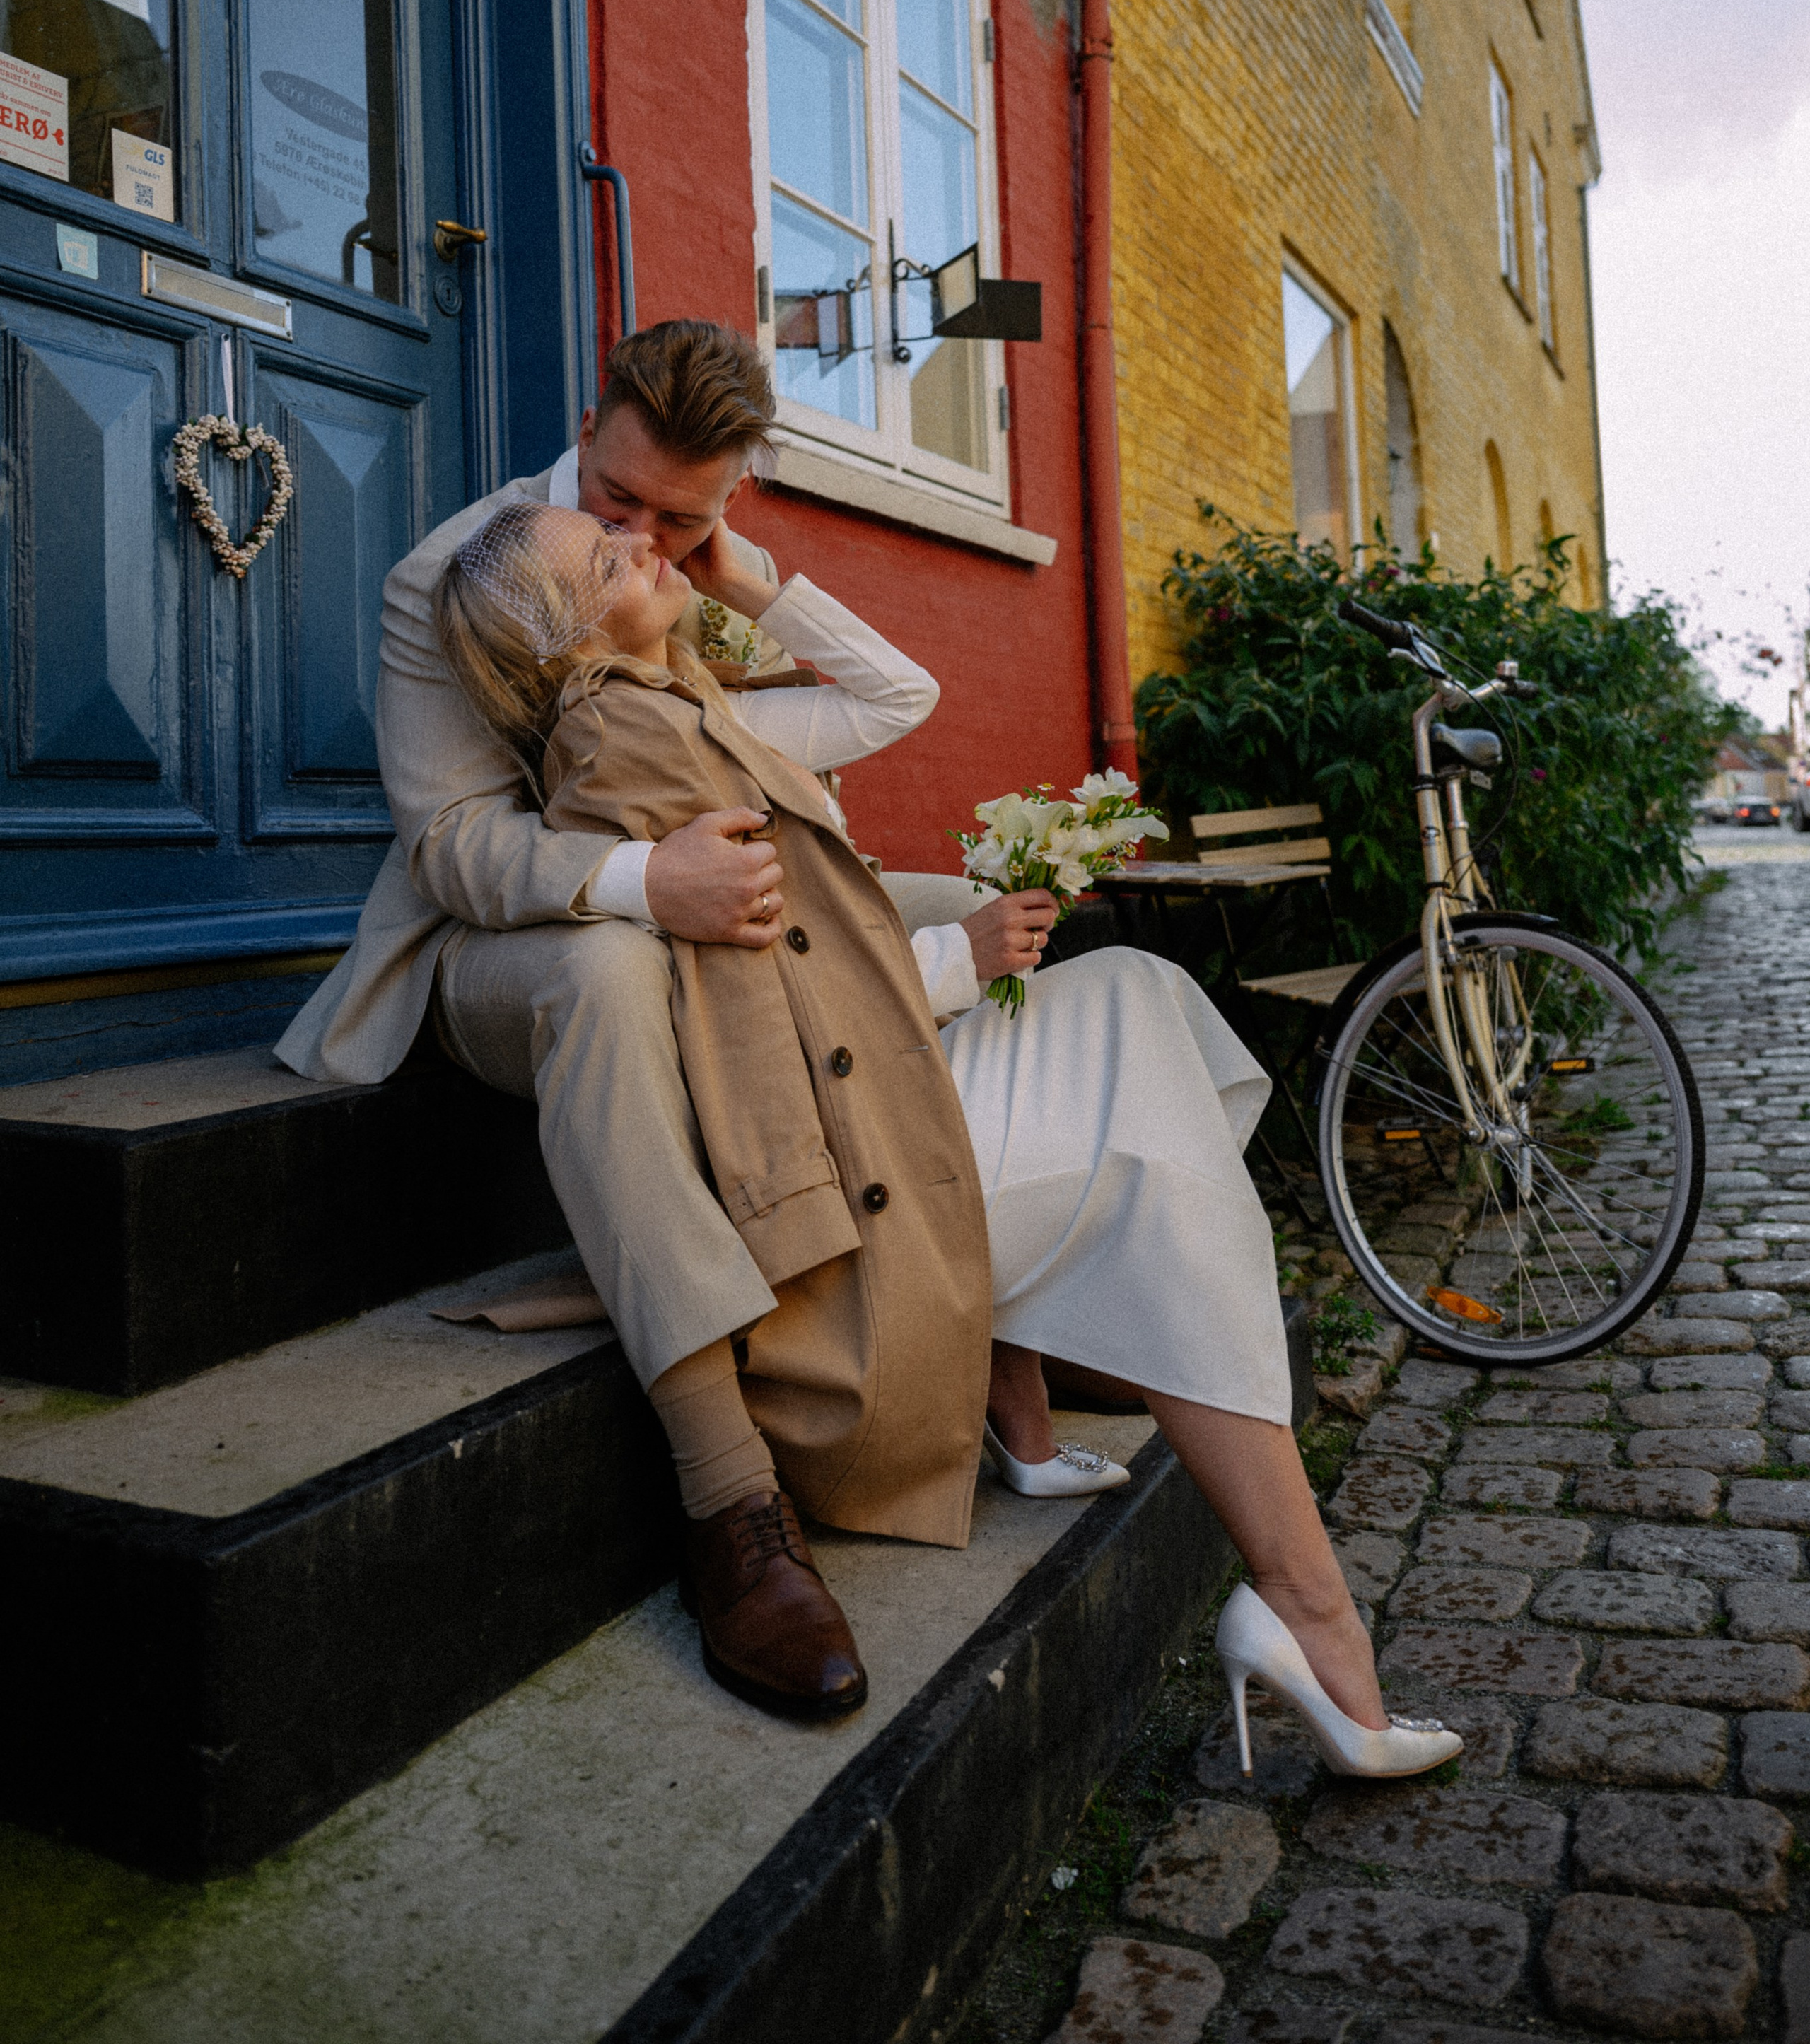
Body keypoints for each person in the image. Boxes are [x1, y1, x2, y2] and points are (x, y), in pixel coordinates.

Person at [279, 322, 1458, 1774]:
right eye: (619, 499)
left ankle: (1023, 1362)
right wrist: (655, 885)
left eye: (680, 519)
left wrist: (753, 597)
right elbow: (456, 845)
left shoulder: (676, 592)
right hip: (505, 948)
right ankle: (730, 1494)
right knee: (613, 961)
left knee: (1027, 950)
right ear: (589, 423)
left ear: (731, 497)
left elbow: (850, 740)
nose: (635, 532)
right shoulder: (462, 570)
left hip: (714, 903)